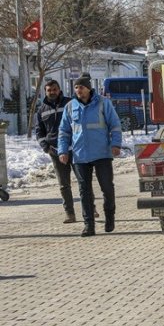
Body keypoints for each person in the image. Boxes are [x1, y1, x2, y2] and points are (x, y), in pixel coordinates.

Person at [58, 75, 123, 237]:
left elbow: (115, 125)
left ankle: (109, 216)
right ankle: (89, 225)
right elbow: (64, 131)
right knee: (84, 191)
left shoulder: (103, 103)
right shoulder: (70, 107)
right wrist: (63, 151)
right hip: (80, 155)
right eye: (76, 87)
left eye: (81, 87)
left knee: (107, 187)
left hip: (102, 153)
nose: (78, 90)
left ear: (88, 88)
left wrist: (115, 144)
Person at [35, 79, 78, 223]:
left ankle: (91, 208)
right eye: (49, 90)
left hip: (75, 149)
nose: (52, 92)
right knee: (64, 185)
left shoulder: (70, 103)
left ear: (59, 90)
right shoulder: (41, 110)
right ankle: (70, 214)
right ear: (45, 92)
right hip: (56, 151)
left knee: (83, 181)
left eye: (54, 89)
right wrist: (46, 147)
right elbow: (39, 131)